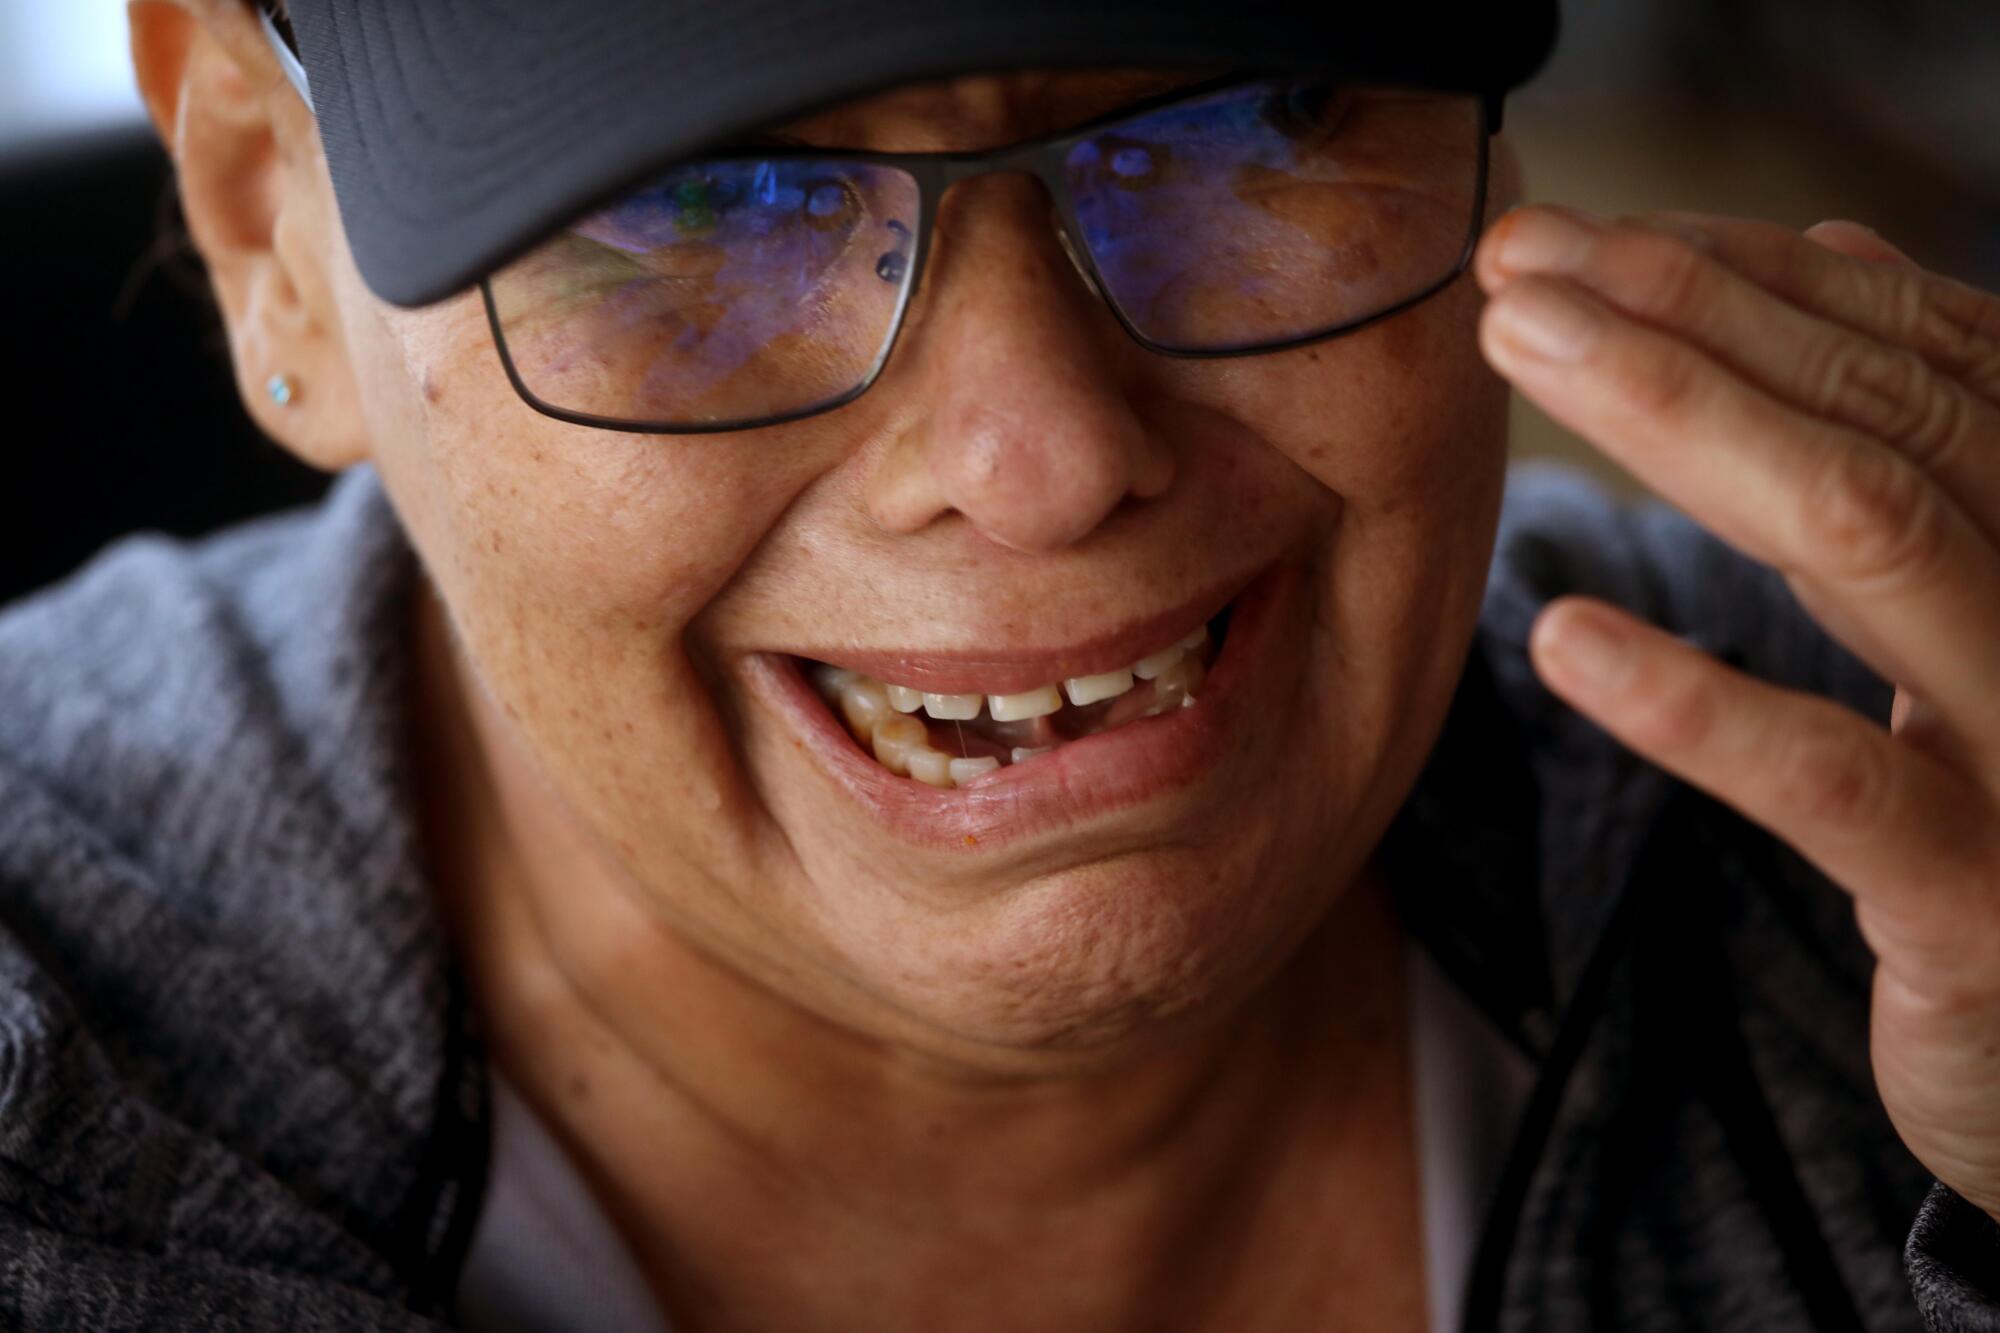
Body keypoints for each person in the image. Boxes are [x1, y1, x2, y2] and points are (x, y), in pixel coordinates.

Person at [2, 0, 1997, 1328]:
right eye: (710, 200)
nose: (1040, 463)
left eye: (1258, 105)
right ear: (270, 216)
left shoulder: (1897, 843)